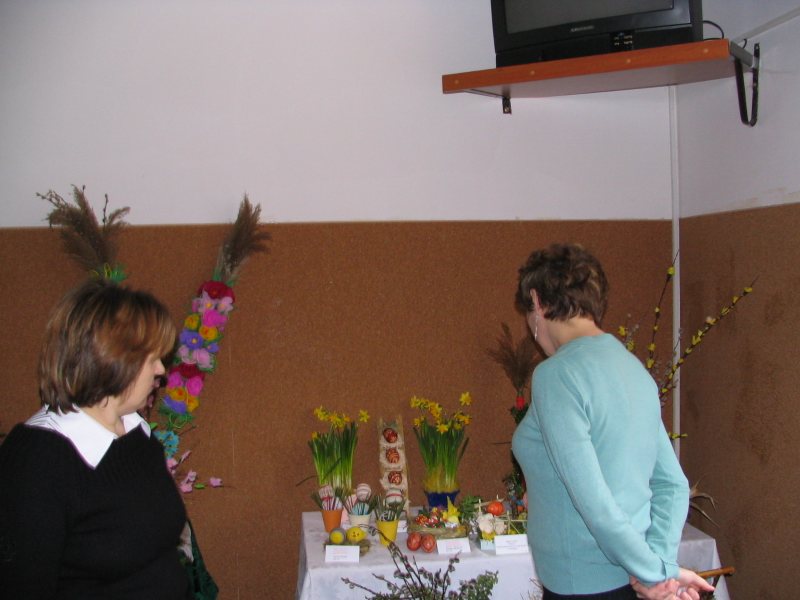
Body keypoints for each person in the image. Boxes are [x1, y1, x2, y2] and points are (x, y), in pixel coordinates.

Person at [510, 243, 713, 600]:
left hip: (580, 585)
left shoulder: (556, 375)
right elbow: (672, 485)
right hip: (626, 580)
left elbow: (594, 502)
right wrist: (657, 567)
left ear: (537, 301)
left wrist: (656, 573)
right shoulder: (633, 369)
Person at [0, 278, 192, 599]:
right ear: (112, 359)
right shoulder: (38, 460)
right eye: (152, 358)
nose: (161, 369)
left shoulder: (136, 432)